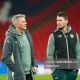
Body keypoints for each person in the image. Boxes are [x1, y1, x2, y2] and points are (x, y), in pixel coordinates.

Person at [2, 14, 38, 80]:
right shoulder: (10, 38)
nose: (26, 23)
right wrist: (16, 70)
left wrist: (34, 65)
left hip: (29, 74)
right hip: (17, 76)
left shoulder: (27, 34)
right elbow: (5, 58)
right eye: (23, 22)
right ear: (17, 24)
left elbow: (31, 52)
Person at [47, 12, 80, 80]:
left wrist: (76, 68)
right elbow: (49, 55)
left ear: (66, 21)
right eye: (57, 20)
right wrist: (54, 71)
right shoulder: (53, 35)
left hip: (72, 71)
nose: (58, 22)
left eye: (60, 20)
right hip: (59, 71)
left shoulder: (75, 35)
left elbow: (78, 53)